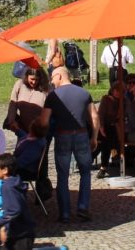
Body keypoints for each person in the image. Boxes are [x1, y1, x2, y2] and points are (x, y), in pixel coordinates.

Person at [38, 66, 98, 223]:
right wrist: (94, 137)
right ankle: (83, 207)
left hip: (62, 135)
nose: (51, 81)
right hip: (82, 135)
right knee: (85, 173)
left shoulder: (53, 96)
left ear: (59, 76)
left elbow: (44, 121)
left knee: (62, 176)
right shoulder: (84, 93)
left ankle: (64, 213)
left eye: (52, 78)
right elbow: (94, 116)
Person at [0, 153, 36, 250]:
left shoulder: (7, 187)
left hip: (21, 235)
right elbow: (9, 208)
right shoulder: (13, 182)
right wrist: (4, 227)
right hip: (18, 231)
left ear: (5, 170)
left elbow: (14, 210)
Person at [5, 67, 49, 134]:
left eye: (37, 79)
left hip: (39, 132)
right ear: (26, 77)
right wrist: (11, 121)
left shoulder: (46, 89)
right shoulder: (19, 84)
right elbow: (13, 104)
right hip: (22, 129)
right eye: (32, 79)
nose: (34, 82)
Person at [96, 82, 125, 178]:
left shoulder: (123, 101)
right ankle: (105, 165)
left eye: (121, 91)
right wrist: (102, 127)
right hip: (106, 127)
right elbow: (101, 114)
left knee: (110, 142)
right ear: (113, 90)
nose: (118, 93)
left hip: (116, 128)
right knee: (106, 143)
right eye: (116, 90)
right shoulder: (106, 99)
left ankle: (106, 165)